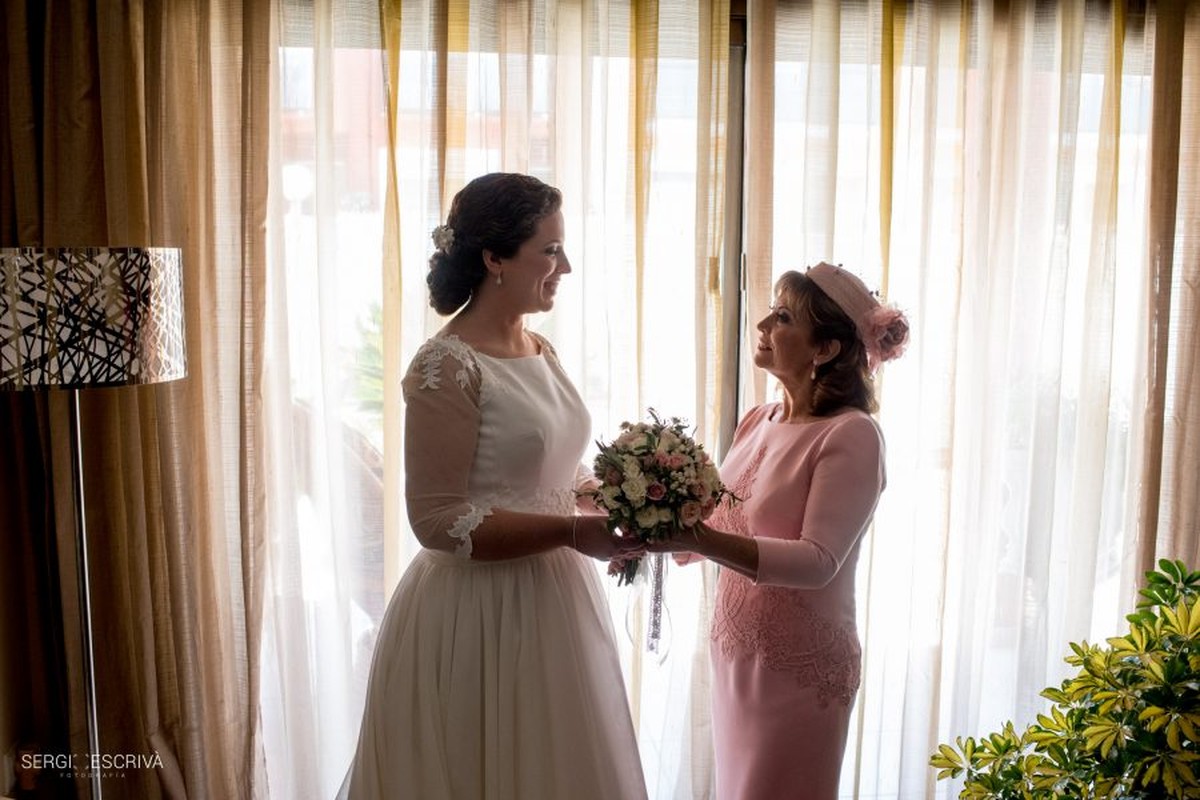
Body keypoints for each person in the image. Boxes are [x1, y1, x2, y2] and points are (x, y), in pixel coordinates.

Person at [342, 173, 648, 799]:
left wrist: (626, 497)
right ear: (494, 258)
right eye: (551, 249)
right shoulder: (445, 364)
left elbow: (552, 476)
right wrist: (570, 530)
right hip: (476, 614)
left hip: (555, 601)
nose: (566, 265)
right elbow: (436, 518)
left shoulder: (540, 346)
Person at [651, 262, 909, 799]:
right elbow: (720, 526)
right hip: (737, 655)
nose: (765, 323)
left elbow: (817, 561)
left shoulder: (852, 435)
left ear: (825, 350)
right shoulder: (756, 419)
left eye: (784, 316)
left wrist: (700, 541)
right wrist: (651, 520)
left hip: (798, 669)